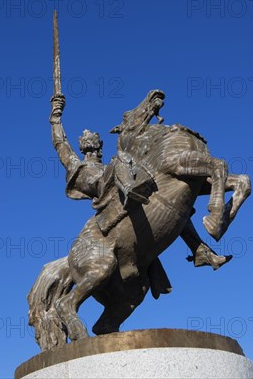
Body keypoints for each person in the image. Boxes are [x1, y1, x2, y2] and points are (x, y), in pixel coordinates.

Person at [49, 94, 230, 276]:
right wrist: (56, 117)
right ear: (83, 147)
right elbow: (60, 144)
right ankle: (131, 190)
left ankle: (199, 250)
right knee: (122, 158)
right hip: (107, 192)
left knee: (172, 196)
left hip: (118, 184)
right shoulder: (79, 165)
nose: (94, 145)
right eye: (89, 142)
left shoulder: (108, 165)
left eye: (96, 143)